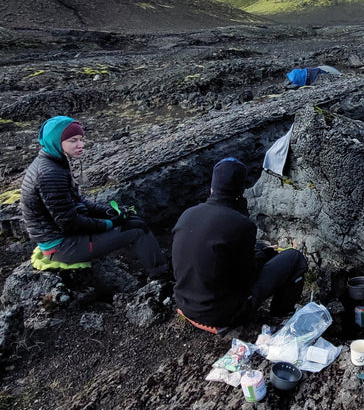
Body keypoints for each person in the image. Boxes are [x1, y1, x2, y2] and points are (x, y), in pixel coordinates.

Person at [20, 116, 168, 278]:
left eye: (81, 139)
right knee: (138, 229)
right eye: (73, 140)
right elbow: (70, 223)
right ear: (56, 141)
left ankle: (147, 264)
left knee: (131, 221)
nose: (80, 145)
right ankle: (161, 277)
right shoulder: (50, 174)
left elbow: (77, 202)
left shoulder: (52, 162)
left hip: (62, 238)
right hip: (62, 246)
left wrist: (108, 212)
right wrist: (108, 224)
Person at [171, 157, 308, 329]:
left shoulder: (187, 215)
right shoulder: (241, 224)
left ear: (212, 187)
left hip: (185, 303)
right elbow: (246, 278)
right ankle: (280, 315)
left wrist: (260, 251)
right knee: (294, 258)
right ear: (241, 190)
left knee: (257, 249)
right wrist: (264, 255)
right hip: (220, 315)